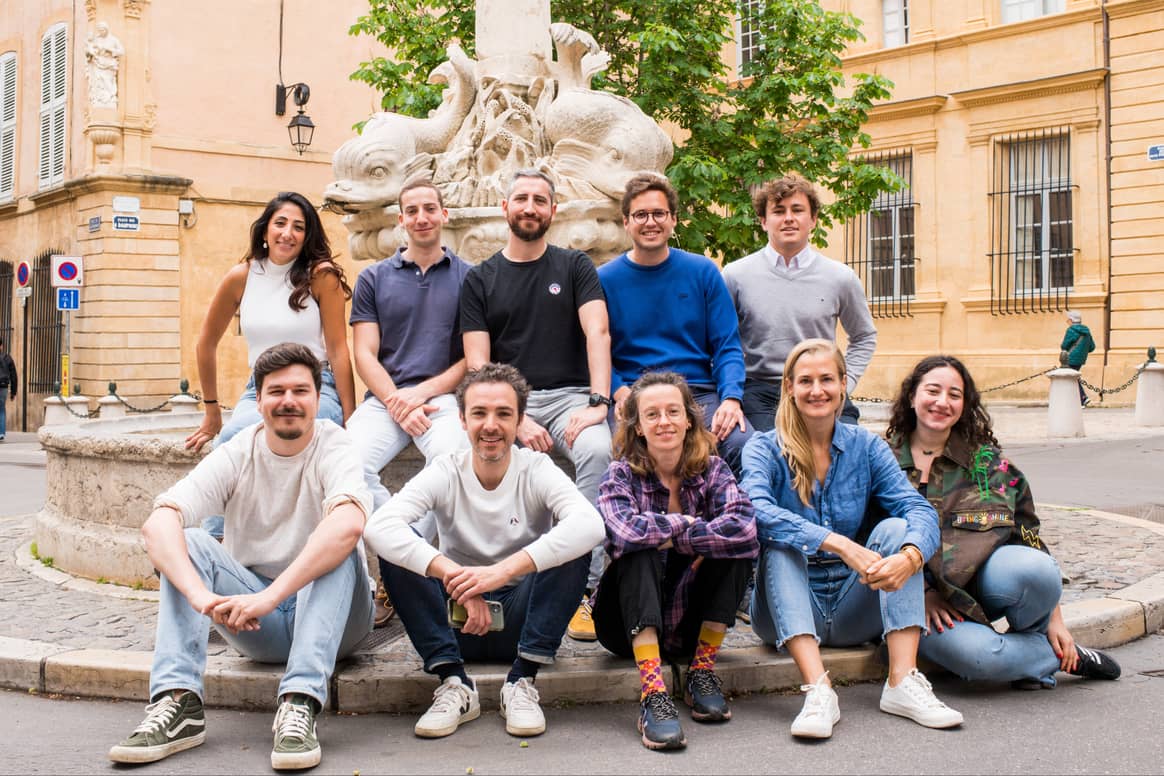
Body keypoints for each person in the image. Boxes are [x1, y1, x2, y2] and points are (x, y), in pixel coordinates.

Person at [107, 343, 374, 770]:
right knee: (189, 539)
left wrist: (270, 597)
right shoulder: (237, 452)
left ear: (317, 399)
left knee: (336, 540)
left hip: (338, 620)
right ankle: (179, 705)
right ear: (259, 399)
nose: (289, 401)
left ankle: (299, 704)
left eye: (301, 391)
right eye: (277, 391)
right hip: (256, 624)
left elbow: (349, 527)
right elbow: (157, 523)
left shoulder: (335, 444)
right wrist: (199, 597)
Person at [364, 363, 604, 740]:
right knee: (397, 549)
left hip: (525, 619)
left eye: (503, 414)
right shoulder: (446, 470)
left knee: (575, 543)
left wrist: (502, 572)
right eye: (479, 413)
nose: (490, 425)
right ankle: (454, 683)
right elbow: (380, 527)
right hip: (455, 620)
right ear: (462, 419)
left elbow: (591, 525)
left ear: (519, 420)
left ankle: (522, 681)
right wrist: (456, 577)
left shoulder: (536, 468)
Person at [742, 338, 962, 740]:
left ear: (844, 384)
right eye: (805, 380)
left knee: (897, 531)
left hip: (852, 602)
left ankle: (902, 682)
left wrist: (911, 557)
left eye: (827, 379)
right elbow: (755, 512)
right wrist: (836, 542)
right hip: (786, 606)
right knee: (782, 543)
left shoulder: (867, 447)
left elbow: (919, 511)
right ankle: (818, 691)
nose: (817, 390)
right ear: (789, 387)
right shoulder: (763, 446)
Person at [885, 354, 1121, 689]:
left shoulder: (988, 463)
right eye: (932, 391)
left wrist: (1056, 618)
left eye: (954, 395)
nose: (942, 402)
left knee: (1036, 571)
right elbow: (871, 536)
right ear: (912, 397)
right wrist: (922, 593)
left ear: (965, 405)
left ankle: (1040, 638)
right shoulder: (880, 460)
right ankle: (1054, 658)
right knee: (980, 658)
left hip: (981, 588)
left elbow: (1029, 536)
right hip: (919, 606)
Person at [460, 169, 612, 643]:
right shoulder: (479, 278)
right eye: (521, 199)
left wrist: (598, 402)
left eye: (540, 200)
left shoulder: (574, 266)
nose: (530, 207)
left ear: (553, 210)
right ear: (505, 208)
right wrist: (515, 419)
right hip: (506, 401)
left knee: (599, 452)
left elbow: (598, 333)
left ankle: (588, 588)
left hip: (571, 398)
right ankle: (493, 576)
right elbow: (478, 363)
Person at [594, 372, 757, 751]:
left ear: (689, 419)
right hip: (625, 622)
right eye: (652, 415)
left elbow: (745, 528)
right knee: (640, 553)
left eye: (673, 411)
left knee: (736, 554)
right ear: (637, 427)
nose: (664, 421)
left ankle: (701, 671)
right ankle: (653, 693)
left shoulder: (714, 470)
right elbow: (623, 533)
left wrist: (672, 536)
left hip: (690, 619)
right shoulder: (619, 474)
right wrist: (691, 528)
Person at [184, 192, 355, 538]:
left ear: (307, 237)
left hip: (316, 384)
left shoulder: (320, 275)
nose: (287, 233)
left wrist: (352, 418)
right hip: (262, 386)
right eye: (280, 223)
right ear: (265, 230)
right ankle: (214, 539)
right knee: (233, 436)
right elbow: (206, 343)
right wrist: (212, 412)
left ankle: (308, 537)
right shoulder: (242, 277)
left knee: (312, 432)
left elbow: (338, 350)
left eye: (298, 227)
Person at [599, 172, 752, 474]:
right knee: (619, 446)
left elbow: (727, 346)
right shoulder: (604, 280)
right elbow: (593, 348)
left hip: (697, 392)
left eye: (659, 213)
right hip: (633, 392)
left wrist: (732, 398)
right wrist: (617, 390)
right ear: (626, 222)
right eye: (640, 214)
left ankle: (737, 519)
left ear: (673, 219)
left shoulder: (703, 272)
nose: (650, 222)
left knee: (743, 443)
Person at [346, 178, 471, 516]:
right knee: (345, 465)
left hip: (444, 400)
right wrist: (398, 401)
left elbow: (472, 358)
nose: (421, 217)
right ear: (401, 220)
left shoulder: (470, 278)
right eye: (412, 211)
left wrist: (420, 394)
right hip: (385, 400)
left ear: (444, 214)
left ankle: (410, 551)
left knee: (452, 464)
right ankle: (396, 536)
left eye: (429, 209)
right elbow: (364, 354)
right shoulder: (373, 279)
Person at [723, 173, 877, 431]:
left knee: (852, 448)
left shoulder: (840, 277)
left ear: (813, 219)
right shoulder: (735, 275)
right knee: (767, 451)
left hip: (821, 387)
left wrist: (842, 384)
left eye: (797, 210)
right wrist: (730, 393)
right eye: (778, 211)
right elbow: (720, 340)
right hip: (761, 391)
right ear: (763, 221)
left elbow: (864, 336)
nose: (788, 218)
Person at [1061, 310, 1097, 407]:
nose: (1067, 321)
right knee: (1073, 377)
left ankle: (1083, 398)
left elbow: (1064, 346)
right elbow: (1092, 347)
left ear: (1071, 320)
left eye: (1068, 319)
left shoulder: (1071, 330)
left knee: (1072, 378)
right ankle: (1077, 399)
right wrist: (1082, 351)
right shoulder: (1087, 331)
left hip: (1070, 358)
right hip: (1081, 359)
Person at [0, 337, 15, 441]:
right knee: (1, 409)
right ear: (1, 346)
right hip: (4, 386)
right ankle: (1, 433)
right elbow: (14, 375)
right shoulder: (7, 357)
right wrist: (13, 392)